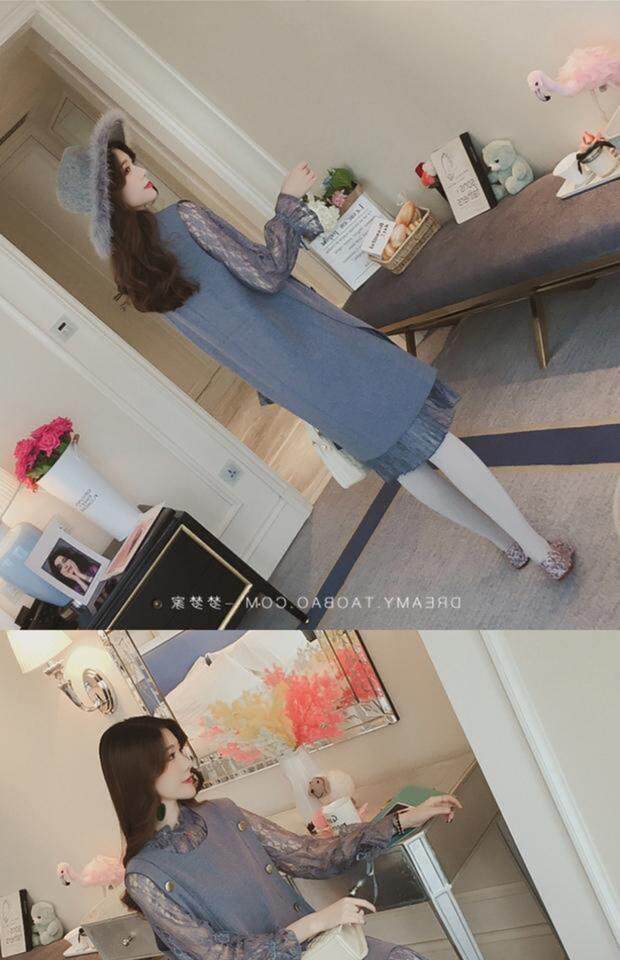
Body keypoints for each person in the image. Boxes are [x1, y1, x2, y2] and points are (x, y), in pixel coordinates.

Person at [56, 109, 575, 580]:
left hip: (298, 384)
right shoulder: (183, 218)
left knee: (406, 463)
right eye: (128, 171)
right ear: (112, 198)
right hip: (324, 349)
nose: (143, 171)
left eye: (133, 162)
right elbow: (266, 274)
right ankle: (540, 551)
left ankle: (508, 545)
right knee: (437, 444)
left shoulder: (140, 281)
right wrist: (286, 204)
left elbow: (225, 347)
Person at [98, 716, 463, 960]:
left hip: (325, 950)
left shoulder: (224, 814)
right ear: (138, 772)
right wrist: (315, 923)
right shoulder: (145, 877)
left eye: (181, 750)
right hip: (313, 941)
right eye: (170, 756)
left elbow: (313, 856)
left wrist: (401, 820)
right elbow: (217, 955)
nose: (185, 763)